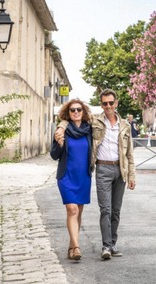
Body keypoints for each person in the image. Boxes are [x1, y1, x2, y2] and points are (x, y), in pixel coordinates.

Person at [55, 89, 136, 260]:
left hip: (119, 170)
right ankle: (104, 246)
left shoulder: (125, 126)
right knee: (103, 209)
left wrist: (132, 176)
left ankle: (111, 244)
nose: (108, 106)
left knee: (115, 211)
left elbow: (129, 153)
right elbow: (70, 119)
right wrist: (61, 128)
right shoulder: (95, 122)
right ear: (101, 105)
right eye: (105, 103)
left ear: (116, 104)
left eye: (111, 103)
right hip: (101, 170)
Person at [50, 99, 92, 261]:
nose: (76, 112)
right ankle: (76, 246)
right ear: (68, 113)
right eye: (72, 110)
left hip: (83, 176)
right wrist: (59, 144)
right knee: (72, 210)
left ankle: (71, 246)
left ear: (84, 112)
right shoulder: (62, 131)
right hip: (66, 176)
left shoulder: (89, 130)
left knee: (78, 211)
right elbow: (54, 156)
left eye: (79, 110)